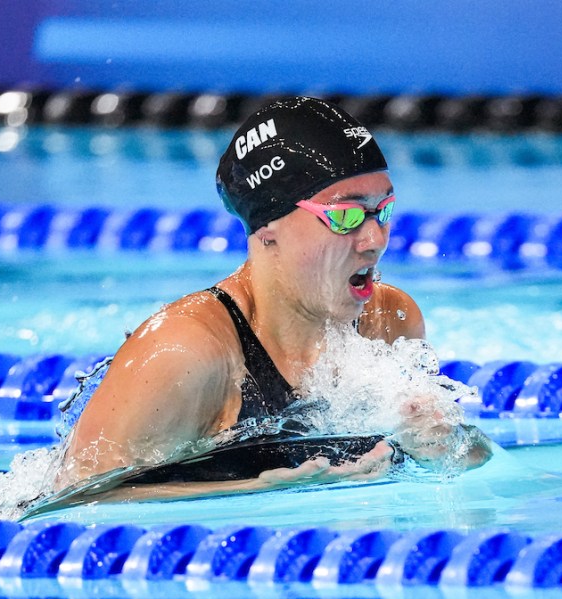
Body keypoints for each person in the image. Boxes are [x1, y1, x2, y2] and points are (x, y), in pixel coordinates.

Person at [51, 96, 491, 501]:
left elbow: (465, 464)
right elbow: (76, 499)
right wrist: (247, 490)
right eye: (347, 216)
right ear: (267, 229)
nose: (375, 239)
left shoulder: (389, 320)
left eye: (384, 211)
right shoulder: (185, 352)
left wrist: (441, 445)